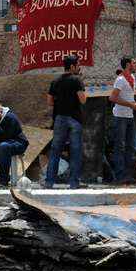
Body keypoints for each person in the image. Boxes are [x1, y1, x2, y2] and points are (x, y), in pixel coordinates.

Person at [45, 56, 87, 189]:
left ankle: (49, 182)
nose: (79, 67)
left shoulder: (55, 81)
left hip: (59, 118)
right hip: (74, 119)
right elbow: (83, 100)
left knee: (55, 150)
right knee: (75, 151)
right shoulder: (77, 80)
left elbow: (50, 101)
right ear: (72, 66)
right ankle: (73, 183)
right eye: (78, 65)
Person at [109, 56, 136, 184]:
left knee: (131, 145)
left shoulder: (132, 78)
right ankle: (120, 175)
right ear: (128, 65)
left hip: (129, 116)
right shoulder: (120, 80)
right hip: (120, 117)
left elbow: (128, 97)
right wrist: (131, 105)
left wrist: (135, 103)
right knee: (120, 146)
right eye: (134, 62)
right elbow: (112, 98)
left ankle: (128, 174)